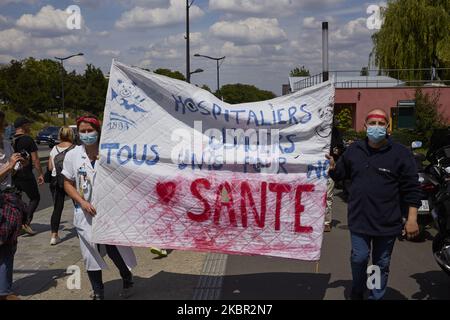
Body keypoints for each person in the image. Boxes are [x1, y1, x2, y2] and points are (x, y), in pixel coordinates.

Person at [326, 108, 421, 300]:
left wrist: (412, 219)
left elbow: (412, 188)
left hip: (387, 223)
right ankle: (358, 288)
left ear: (387, 127)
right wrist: (333, 168)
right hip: (359, 219)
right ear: (364, 126)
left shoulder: (400, 153)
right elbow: (340, 174)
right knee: (359, 258)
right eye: (372, 123)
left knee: (380, 264)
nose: (376, 127)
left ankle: (375, 296)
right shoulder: (354, 150)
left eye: (380, 123)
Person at [62, 115, 137, 300]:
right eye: (83, 131)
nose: (87, 134)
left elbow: (125, 178)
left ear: (98, 131)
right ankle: (98, 291)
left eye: (90, 131)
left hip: (110, 211)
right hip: (86, 212)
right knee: (90, 253)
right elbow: (67, 183)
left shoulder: (109, 153)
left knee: (114, 249)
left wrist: (104, 162)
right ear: (77, 133)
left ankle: (126, 277)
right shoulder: (72, 155)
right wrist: (82, 202)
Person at [0, 111, 27, 300]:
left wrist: (18, 166)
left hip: (9, 199)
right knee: (4, 247)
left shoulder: (7, 144)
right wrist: (8, 166)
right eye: (2, 124)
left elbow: (10, 175)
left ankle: (4, 289)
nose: (5, 126)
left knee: (9, 246)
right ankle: (4, 291)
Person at [12, 117, 44, 235]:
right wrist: (40, 173)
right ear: (23, 126)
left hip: (13, 174)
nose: (30, 127)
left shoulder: (10, 140)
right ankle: (26, 222)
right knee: (35, 198)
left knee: (17, 200)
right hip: (25, 174)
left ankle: (17, 224)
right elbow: (35, 159)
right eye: (28, 125)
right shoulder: (28, 140)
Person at [48, 126, 75, 245]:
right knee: (78, 205)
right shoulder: (75, 148)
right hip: (71, 180)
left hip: (56, 180)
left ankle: (54, 235)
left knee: (57, 208)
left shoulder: (54, 148)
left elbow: (49, 167)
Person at [324, 124, 344, 232]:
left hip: (329, 165)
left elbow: (340, 147)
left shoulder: (335, 131)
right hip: (312, 166)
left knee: (327, 195)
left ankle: (326, 222)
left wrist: (336, 153)